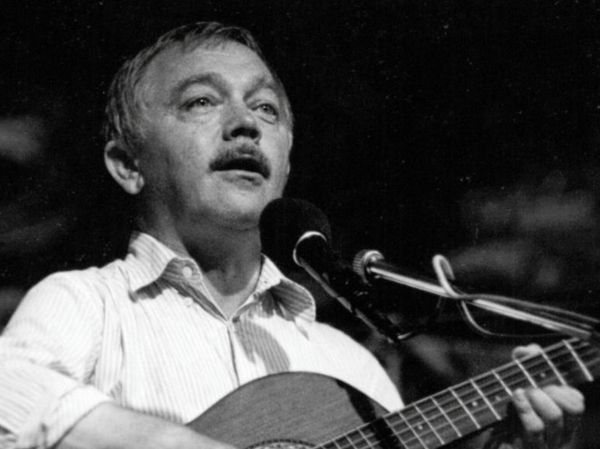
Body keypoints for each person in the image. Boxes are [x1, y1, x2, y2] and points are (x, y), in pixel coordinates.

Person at [0, 22, 584, 449]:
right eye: (201, 101)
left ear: (285, 160)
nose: (245, 124)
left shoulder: (348, 366)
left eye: (267, 109)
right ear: (129, 165)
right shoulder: (86, 305)